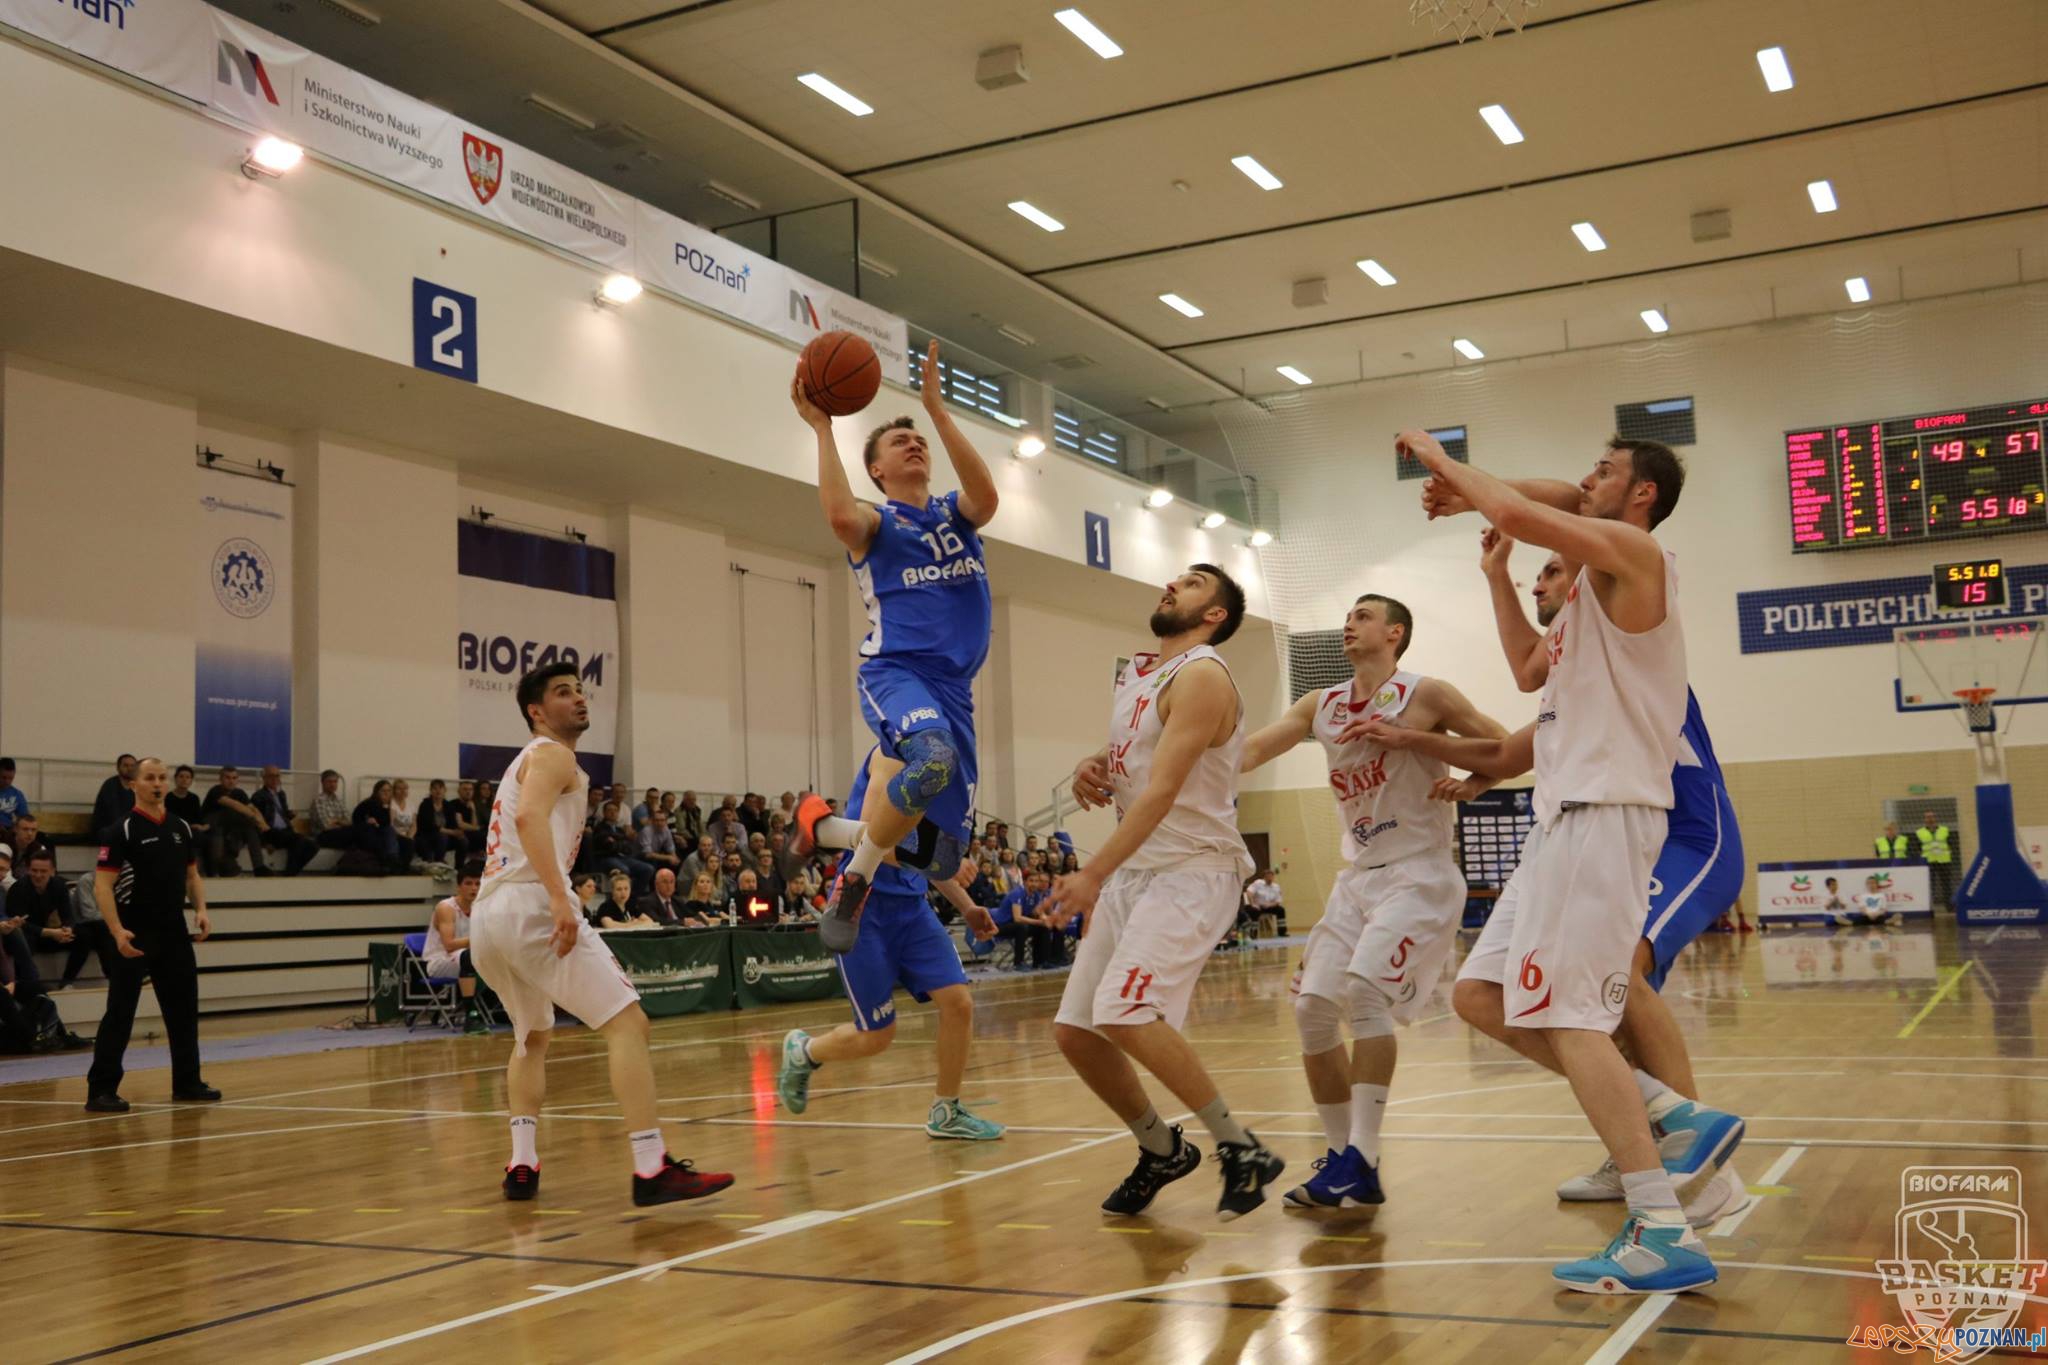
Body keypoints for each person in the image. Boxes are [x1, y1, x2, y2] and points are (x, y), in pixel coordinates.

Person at [1400, 427, 1734, 1293]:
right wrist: (1491, 570)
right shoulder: (1585, 592)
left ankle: (1663, 1224)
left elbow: (1524, 501)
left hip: (1610, 816)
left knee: (1577, 1016)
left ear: (1642, 495)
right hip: (1561, 823)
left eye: (1607, 470)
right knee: (1480, 994)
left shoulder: (1636, 555)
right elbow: (1520, 666)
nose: (1587, 478)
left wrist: (1447, 464)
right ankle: (1669, 1113)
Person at [1237, 591, 1507, 1210]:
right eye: (1347, 617)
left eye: (1362, 616)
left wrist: (1473, 784)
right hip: (1357, 877)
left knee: (1363, 992)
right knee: (1310, 1009)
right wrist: (1183, 754)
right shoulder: (1321, 704)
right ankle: (1346, 1162)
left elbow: (1499, 743)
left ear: (1395, 632)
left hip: (1419, 872)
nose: (1349, 625)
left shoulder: (1426, 694)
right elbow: (1252, 750)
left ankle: (1363, 1153)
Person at [1050, 565, 1283, 1220]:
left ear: (1215, 614)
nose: (1172, 585)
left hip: (1193, 870)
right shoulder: (1143, 674)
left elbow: (1163, 791)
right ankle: (1160, 1147)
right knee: (1076, 1031)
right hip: (1140, 871)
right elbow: (1135, 756)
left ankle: (1240, 1145)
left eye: (1192, 583)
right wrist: (1090, 763)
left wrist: (1091, 872)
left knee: (1123, 1009)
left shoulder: (1205, 674)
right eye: (1175, 579)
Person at [467, 661, 732, 1206]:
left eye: (582, 691)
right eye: (563, 693)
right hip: (529, 904)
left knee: (530, 1039)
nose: (579, 700)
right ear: (536, 712)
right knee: (629, 1024)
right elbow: (529, 821)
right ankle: (650, 1166)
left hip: (489, 918)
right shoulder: (552, 754)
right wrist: (561, 898)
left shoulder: (526, 761)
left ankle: (521, 1162)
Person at [788, 340, 999, 957]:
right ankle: (851, 884)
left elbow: (986, 499)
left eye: (920, 443)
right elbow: (837, 514)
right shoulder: (878, 523)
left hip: (955, 690)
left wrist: (937, 412)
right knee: (929, 762)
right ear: (876, 470)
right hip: (897, 673)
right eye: (897, 443)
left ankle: (822, 828)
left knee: (940, 856)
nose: (914, 445)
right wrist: (823, 429)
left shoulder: (955, 516)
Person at [778, 747, 1005, 1142]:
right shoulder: (891, 753)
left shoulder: (939, 767)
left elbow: (925, 856)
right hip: (863, 908)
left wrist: (967, 907)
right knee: (876, 1036)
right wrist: (942, 860)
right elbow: (873, 834)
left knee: (958, 1003)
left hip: (912, 910)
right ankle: (805, 1051)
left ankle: (945, 1109)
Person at [86, 757, 220, 1111]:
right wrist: (117, 931)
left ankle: (188, 1082)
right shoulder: (120, 831)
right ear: (134, 784)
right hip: (134, 930)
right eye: (150, 778)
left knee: (183, 1009)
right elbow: (103, 886)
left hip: (173, 930)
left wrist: (201, 911)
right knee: (120, 1011)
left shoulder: (181, 828)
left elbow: (192, 876)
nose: (158, 783)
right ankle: (100, 1090)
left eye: (162, 777)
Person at [12, 848, 117, 989]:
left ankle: (67, 981)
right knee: (23, 938)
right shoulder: (19, 889)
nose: (38, 875)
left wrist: (67, 928)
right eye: (34, 870)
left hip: (52, 934)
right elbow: (20, 924)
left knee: (86, 933)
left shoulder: (58, 885)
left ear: (52, 871)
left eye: (43, 871)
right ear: (28, 870)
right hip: (31, 934)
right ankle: (25, 984)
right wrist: (50, 932)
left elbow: (68, 915)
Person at [426, 860, 490, 1034]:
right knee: (469, 958)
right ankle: (471, 1015)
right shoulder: (446, 908)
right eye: (468, 883)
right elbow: (449, 945)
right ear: (458, 886)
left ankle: (506, 1012)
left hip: (467, 958)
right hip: (440, 961)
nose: (473, 888)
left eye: (478, 884)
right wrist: (479, 939)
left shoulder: (482, 907)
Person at [252, 766, 318, 874]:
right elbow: (256, 821)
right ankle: (290, 873)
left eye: (277, 776)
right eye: (271, 776)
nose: (275, 779)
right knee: (299, 840)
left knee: (313, 846)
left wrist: (290, 814)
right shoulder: (258, 796)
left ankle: (291, 872)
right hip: (271, 832)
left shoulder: (281, 794)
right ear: (264, 778)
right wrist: (265, 842)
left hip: (285, 831)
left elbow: (282, 813)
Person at [202, 765, 266, 877]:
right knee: (234, 815)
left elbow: (252, 808)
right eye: (227, 778)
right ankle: (216, 871)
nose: (231, 781)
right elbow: (235, 805)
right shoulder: (215, 791)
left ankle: (259, 867)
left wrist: (264, 824)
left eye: (234, 778)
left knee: (250, 827)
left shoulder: (239, 793)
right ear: (220, 779)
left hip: (231, 833)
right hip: (213, 830)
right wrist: (256, 819)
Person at [1916, 810, 1957, 911]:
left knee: (1946, 884)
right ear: (1924, 819)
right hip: (1929, 862)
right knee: (1930, 885)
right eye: (1927, 817)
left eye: (1931, 817)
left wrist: (1949, 853)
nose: (1930, 819)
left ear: (1935, 818)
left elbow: (1952, 844)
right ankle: (1929, 907)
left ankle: (1949, 907)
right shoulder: (1919, 832)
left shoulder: (1944, 830)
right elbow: (1917, 847)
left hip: (1944, 861)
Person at [91, 753, 138, 838]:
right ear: (118, 767)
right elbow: (113, 812)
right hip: (108, 829)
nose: (130, 768)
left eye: (132, 766)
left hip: (130, 829)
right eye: (126, 765)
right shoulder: (110, 785)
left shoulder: (138, 786)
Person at [311, 770, 354, 851]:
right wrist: (342, 822)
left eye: (335, 782)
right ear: (323, 783)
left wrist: (336, 820)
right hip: (323, 836)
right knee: (353, 836)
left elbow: (349, 821)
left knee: (359, 831)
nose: (333, 784)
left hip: (338, 832)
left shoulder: (338, 800)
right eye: (329, 782)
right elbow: (326, 826)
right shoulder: (318, 801)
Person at [1243, 870, 1286, 937]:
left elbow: (1278, 901)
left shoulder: (1276, 887)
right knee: (1253, 911)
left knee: (1281, 910)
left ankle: (1282, 932)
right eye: (1268, 876)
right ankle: (1253, 933)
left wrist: (1270, 905)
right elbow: (1249, 892)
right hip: (1257, 906)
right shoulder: (1258, 883)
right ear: (1264, 877)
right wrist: (1253, 904)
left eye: (1271, 876)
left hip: (1269, 906)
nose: (1270, 878)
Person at [638, 809, 682, 874]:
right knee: (654, 863)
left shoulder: (666, 830)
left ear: (666, 821)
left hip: (656, 854)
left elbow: (670, 847)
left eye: (662, 820)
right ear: (652, 821)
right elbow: (648, 855)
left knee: (677, 862)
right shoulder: (646, 831)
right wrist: (669, 857)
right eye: (657, 820)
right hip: (642, 856)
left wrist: (674, 857)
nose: (659, 823)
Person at [0, 757, 28, 828]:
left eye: (11, 778)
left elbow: (24, 818)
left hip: (9, 830)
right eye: (4, 778)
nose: (7, 781)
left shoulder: (17, 794)